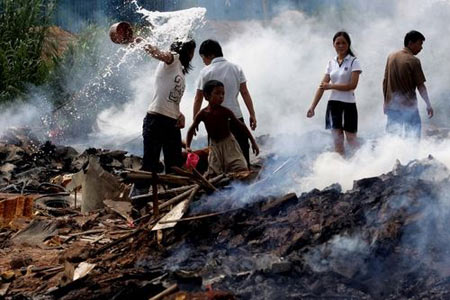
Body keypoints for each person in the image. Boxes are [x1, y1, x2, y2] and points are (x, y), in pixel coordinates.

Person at [116, 30, 196, 173]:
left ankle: (170, 195)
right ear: (185, 50)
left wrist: (179, 113)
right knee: (150, 167)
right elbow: (158, 53)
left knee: (174, 166)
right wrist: (139, 41)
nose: (192, 56)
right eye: (191, 51)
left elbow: (170, 98)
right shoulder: (173, 59)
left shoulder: (179, 70)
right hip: (156, 121)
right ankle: (138, 194)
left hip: (172, 123)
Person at [193, 39, 257, 166]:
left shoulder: (206, 72)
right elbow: (244, 92)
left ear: (210, 55)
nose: (203, 61)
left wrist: (196, 120)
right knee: (242, 148)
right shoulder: (236, 68)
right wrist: (252, 114)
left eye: (203, 57)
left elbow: (198, 98)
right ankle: (245, 175)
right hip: (236, 116)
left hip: (214, 119)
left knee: (217, 153)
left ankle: (222, 179)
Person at [187, 80, 259, 176]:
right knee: (214, 172)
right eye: (217, 93)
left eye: (223, 94)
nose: (221, 96)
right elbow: (191, 129)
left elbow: (241, 126)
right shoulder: (203, 113)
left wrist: (253, 142)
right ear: (207, 96)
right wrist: (188, 146)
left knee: (239, 166)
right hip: (214, 145)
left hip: (229, 143)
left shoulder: (225, 112)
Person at [307, 31, 362, 156]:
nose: (341, 46)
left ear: (348, 44)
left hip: (348, 104)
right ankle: (341, 169)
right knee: (337, 140)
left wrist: (331, 86)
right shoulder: (331, 63)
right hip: (333, 104)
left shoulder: (354, 62)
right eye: (338, 43)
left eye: (344, 43)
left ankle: (362, 164)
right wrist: (312, 106)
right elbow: (322, 86)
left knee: (351, 139)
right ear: (333, 45)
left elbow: (352, 86)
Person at [383, 30, 433, 139]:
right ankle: (411, 156)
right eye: (420, 44)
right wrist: (428, 104)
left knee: (393, 137)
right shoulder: (413, 61)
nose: (421, 48)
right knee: (413, 137)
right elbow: (420, 86)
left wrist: (385, 102)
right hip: (408, 106)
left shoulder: (391, 56)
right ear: (410, 43)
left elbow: (385, 82)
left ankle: (391, 155)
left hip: (392, 106)